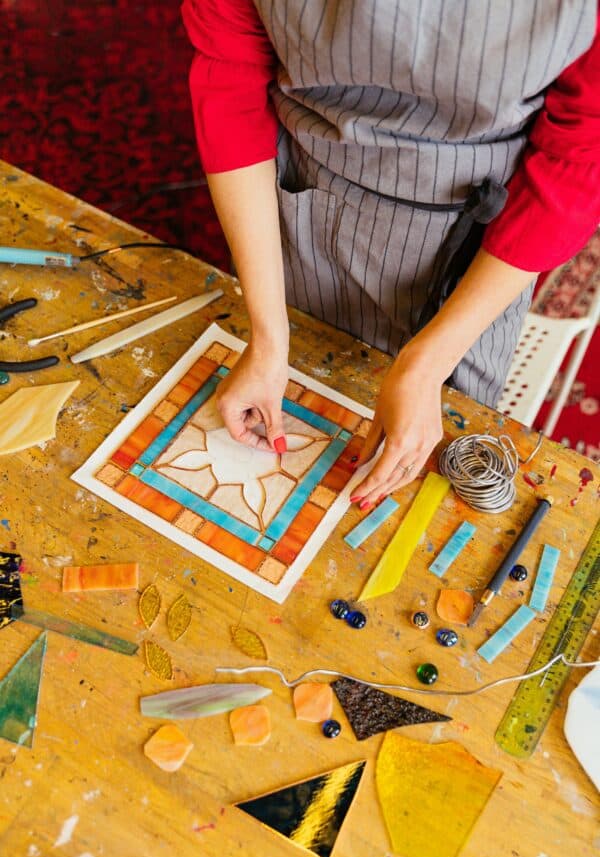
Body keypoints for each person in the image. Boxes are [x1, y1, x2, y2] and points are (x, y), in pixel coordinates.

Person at [181, 0, 600, 510]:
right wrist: (267, 335)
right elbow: (231, 78)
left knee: (424, 478)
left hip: (471, 240)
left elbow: (579, 156)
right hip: (299, 193)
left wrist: (427, 365)